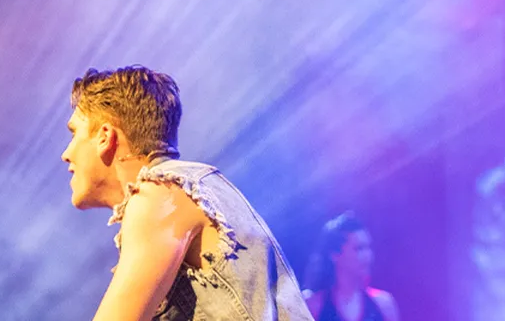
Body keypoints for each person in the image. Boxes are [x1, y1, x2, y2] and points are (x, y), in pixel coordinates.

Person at [58, 66, 314, 320]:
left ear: (105, 136)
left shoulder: (160, 194)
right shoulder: (191, 187)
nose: (66, 154)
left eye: (74, 133)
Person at [302, 212, 400, 321]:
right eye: (359, 248)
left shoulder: (383, 304)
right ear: (334, 254)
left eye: (368, 248)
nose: (367, 255)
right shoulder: (313, 305)